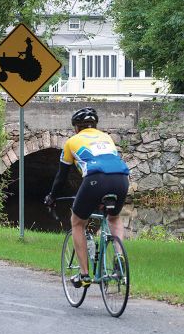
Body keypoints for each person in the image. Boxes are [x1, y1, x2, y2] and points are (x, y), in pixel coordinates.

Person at [44, 107, 129, 288]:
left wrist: (52, 196)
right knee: (114, 218)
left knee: (77, 222)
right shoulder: (107, 138)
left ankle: (84, 274)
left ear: (76, 128)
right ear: (95, 126)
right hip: (121, 178)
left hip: (95, 179)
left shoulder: (72, 142)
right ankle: (119, 258)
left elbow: (61, 176)